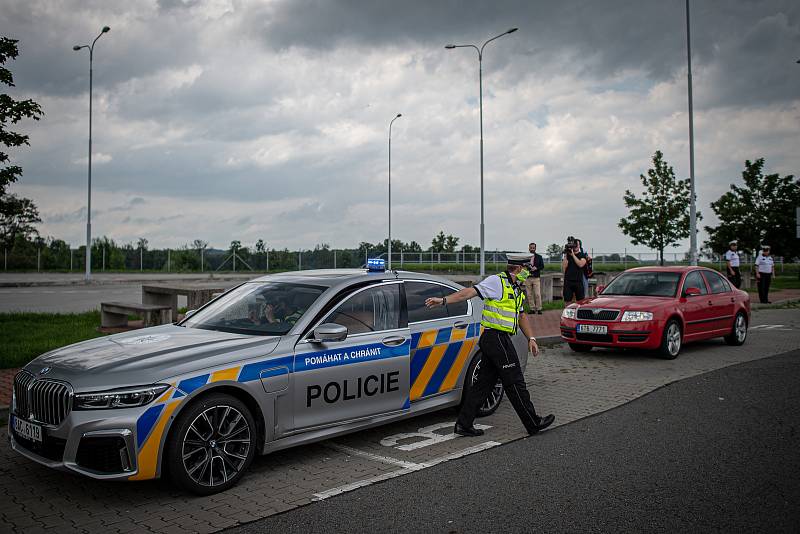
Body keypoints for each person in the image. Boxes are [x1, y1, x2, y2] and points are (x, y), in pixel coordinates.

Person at [425, 254, 555, 437]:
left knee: (483, 385)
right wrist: (444, 300)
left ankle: (464, 424)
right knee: (515, 381)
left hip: (498, 340)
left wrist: (531, 338)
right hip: (495, 339)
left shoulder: (516, 289)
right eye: (527, 269)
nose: (529, 272)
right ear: (518, 269)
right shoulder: (496, 282)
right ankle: (533, 422)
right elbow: (468, 293)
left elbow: (521, 315)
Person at [523, 242, 545, 314]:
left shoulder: (539, 257)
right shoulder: (526, 257)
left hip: (536, 278)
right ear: (529, 248)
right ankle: (532, 309)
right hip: (527, 277)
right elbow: (522, 265)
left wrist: (536, 268)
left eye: (533, 248)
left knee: (537, 294)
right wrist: (525, 265)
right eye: (531, 247)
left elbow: (542, 266)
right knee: (529, 294)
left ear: (535, 248)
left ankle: (539, 309)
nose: (532, 249)